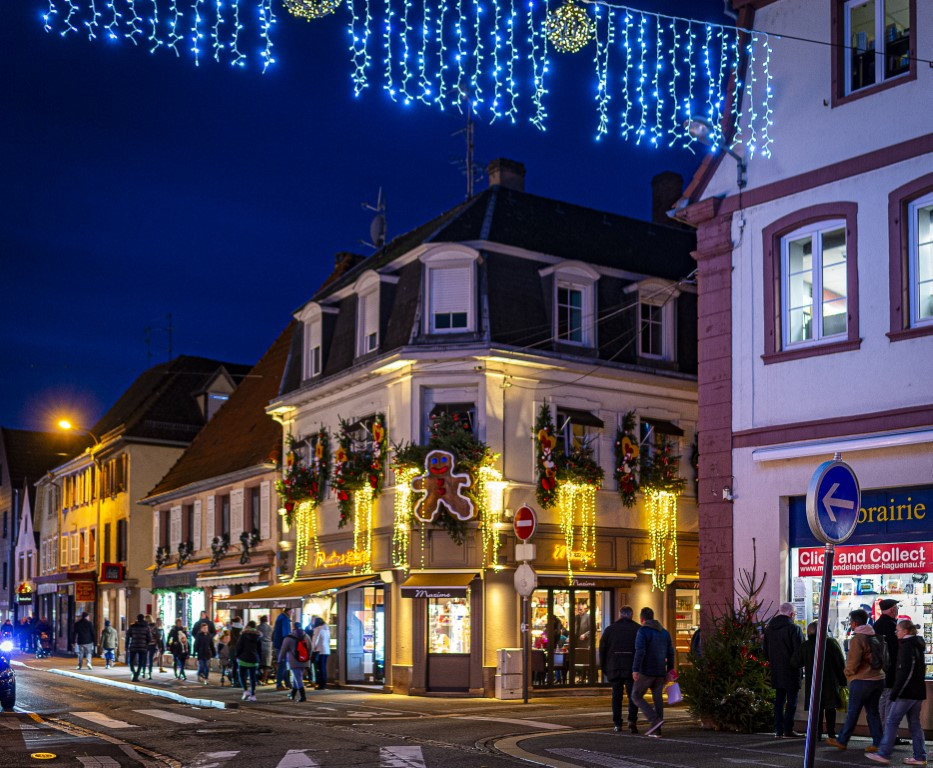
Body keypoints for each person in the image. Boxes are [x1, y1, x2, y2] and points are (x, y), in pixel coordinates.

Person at [866, 619, 928, 766]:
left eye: (898, 630)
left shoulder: (907, 647)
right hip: (917, 692)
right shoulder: (917, 645)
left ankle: (884, 753)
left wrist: (896, 692)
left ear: (905, 631)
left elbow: (905, 672)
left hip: (906, 693)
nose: (896, 633)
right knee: (914, 724)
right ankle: (920, 756)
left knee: (892, 722)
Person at [826, 608, 884, 752]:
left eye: (851, 622)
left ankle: (842, 740)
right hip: (878, 679)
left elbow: (853, 662)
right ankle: (878, 743)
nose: (850, 624)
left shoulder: (858, 639)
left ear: (855, 623)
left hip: (862, 680)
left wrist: (847, 673)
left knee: (853, 712)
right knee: (873, 712)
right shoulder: (874, 635)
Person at [790, 621, 847, 741]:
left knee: (817, 708)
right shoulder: (831, 643)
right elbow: (840, 663)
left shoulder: (805, 645)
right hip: (830, 681)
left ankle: (817, 733)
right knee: (830, 708)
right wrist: (842, 680)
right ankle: (831, 733)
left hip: (812, 681)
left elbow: (795, 662)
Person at [631, 606, 675, 737]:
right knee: (658, 698)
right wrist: (670, 671)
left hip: (646, 670)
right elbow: (671, 653)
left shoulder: (642, 631)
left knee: (636, 695)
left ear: (642, 619)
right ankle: (657, 730)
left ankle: (654, 720)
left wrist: (635, 669)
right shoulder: (664, 632)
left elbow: (640, 652)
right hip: (660, 671)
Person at [762, 602, 804, 739]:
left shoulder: (769, 629)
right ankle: (788, 729)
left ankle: (778, 730)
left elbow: (765, 652)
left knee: (779, 700)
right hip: (791, 670)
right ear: (791, 614)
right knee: (791, 701)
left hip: (776, 669)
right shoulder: (794, 629)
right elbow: (799, 652)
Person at [599, 605, 640, 733]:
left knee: (616, 696)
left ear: (620, 614)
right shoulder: (637, 629)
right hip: (632, 668)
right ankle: (632, 721)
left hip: (614, 666)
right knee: (632, 695)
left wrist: (604, 667)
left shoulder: (610, 630)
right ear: (632, 615)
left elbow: (602, 650)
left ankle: (617, 723)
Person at [873, 599, 900, 730]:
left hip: (880, 671)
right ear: (892, 609)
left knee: (883, 702)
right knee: (890, 702)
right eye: (896, 607)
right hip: (890, 671)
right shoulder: (891, 626)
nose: (897, 610)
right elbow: (895, 650)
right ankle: (888, 733)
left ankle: (883, 732)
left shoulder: (877, 624)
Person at [279, 621, 312, 702]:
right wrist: (308, 658)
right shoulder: (306, 636)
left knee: (298, 678)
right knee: (296, 677)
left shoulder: (289, 638)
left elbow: (283, 650)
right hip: (304, 660)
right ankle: (293, 694)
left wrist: (280, 659)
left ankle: (303, 696)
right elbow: (310, 648)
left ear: (293, 627)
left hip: (294, 661)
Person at [235, 620, 263, 701]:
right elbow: (259, 650)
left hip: (243, 658)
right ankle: (253, 695)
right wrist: (259, 659)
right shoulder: (258, 636)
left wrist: (237, 655)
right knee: (252, 677)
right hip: (254, 660)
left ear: (249, 626)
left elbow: (239, 646)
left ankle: (246, 690)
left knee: (241, 675)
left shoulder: (243, 635)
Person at [126, 614, 153, 682]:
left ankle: (133, 672)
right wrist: (146, 643)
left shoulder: (132, 626)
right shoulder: (146, 627)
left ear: (137, 618)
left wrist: (126, 646)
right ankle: (136, 675)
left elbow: (128, 637)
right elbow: (149, 638)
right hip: (143, 646)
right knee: (140, 662)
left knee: (131, 661)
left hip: (133, 646)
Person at [272, 608, 292, 691]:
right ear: (288, 611)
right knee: (282, 665)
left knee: (284, 665)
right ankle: (279, 684)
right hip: (282, 645)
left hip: (278, 644)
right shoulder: (285, 619)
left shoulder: (280, 617)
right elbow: (285, 634)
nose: (292, 613)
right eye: (292, 611)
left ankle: (287, 683)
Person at [311, 616, 330, 690]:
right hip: (326, 651)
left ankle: (320, 684)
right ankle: (324, 683)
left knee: (319, 668)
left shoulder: (317, 629)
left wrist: (312, 650)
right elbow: (328, 640)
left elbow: (315, 641)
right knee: (323, 668)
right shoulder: (326, 629)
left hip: (319, 651)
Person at [258, 615, 274, 684]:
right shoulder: (270, 628)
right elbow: (273, 637)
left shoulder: (257, 627)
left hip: (259, 646)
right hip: (268, 646)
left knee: (258, 663)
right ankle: (264, 679)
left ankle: (257, 679)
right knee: (266, 665)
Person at [229, 615, 244, 688]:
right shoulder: (241, 629)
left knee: (234, 665)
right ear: (239, 621)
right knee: (240, 665)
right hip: (239, 648)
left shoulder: (231, 628)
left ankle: (234, 680)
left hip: (232, 648)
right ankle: (239, 681)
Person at [144, 615, 159, 680]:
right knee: (150, 659)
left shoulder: (145, 626)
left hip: (146, 644)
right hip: (153, 644)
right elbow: (157, 636)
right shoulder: (155, 627)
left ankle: (143, 671)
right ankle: (149, 673)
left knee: (144, 658)